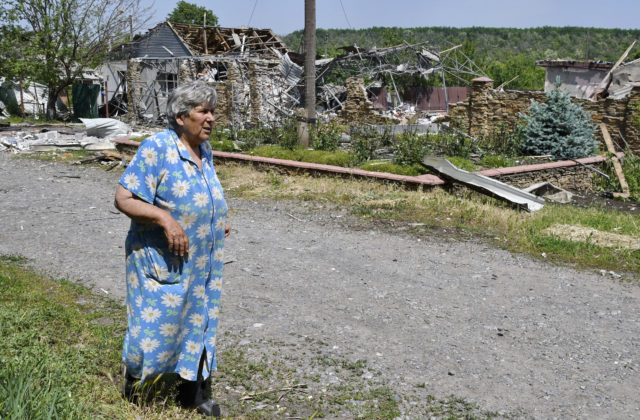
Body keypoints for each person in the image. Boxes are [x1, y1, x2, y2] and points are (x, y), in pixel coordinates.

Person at [114, 79, 229, 417]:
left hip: (201, 260)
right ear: (181, 117)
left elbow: (201, 194)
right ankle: (137, 387)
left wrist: (216, 218)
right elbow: (124, 198)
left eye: (212, 112)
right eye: (202, 112)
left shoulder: (203, 149)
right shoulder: (156, 148)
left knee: (200, 320)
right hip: (161, 259)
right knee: (154, 324)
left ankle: (191, 391)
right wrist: (165, 219)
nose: (210, 119)